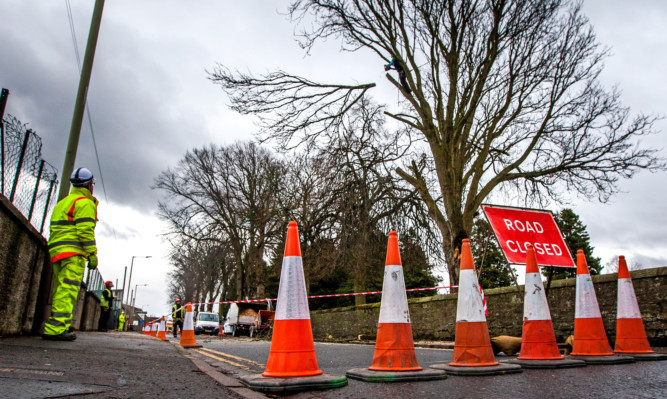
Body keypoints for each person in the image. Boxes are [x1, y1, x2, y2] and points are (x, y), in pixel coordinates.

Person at [43, 167, 99, 341]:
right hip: (73, 252)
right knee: (68, 289)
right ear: (89, 185)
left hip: (57, 250)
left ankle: (59, 325)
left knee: (60, 289)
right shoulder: (85, 203)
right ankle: (56, 329)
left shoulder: (64, 202)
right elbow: (84, 231)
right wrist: (92, 253)